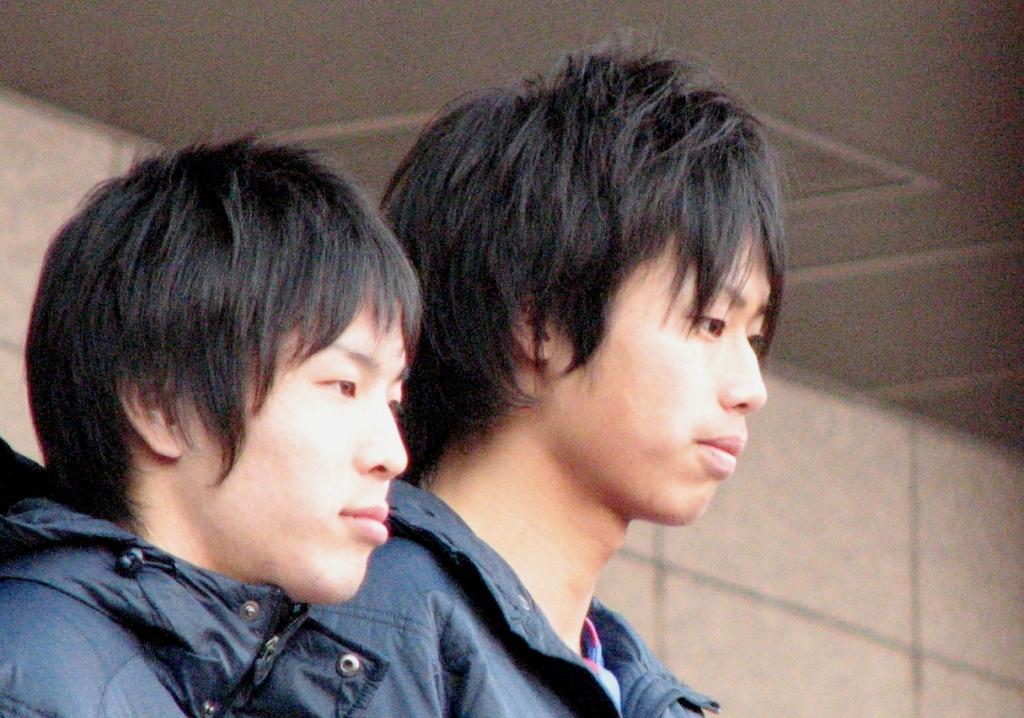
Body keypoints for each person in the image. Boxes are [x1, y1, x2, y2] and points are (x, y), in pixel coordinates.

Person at [314, 39, 786, 716]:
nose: (750, 387)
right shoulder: (373, 633)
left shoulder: (628, 685)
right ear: (541, 326)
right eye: (710, 323)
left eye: (755, 336)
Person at [0, 138, 419, 716]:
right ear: (160, 405)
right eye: (344, 386)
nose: (392, 455)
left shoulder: (194, 680)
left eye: (393, 402)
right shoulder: (35, 685)